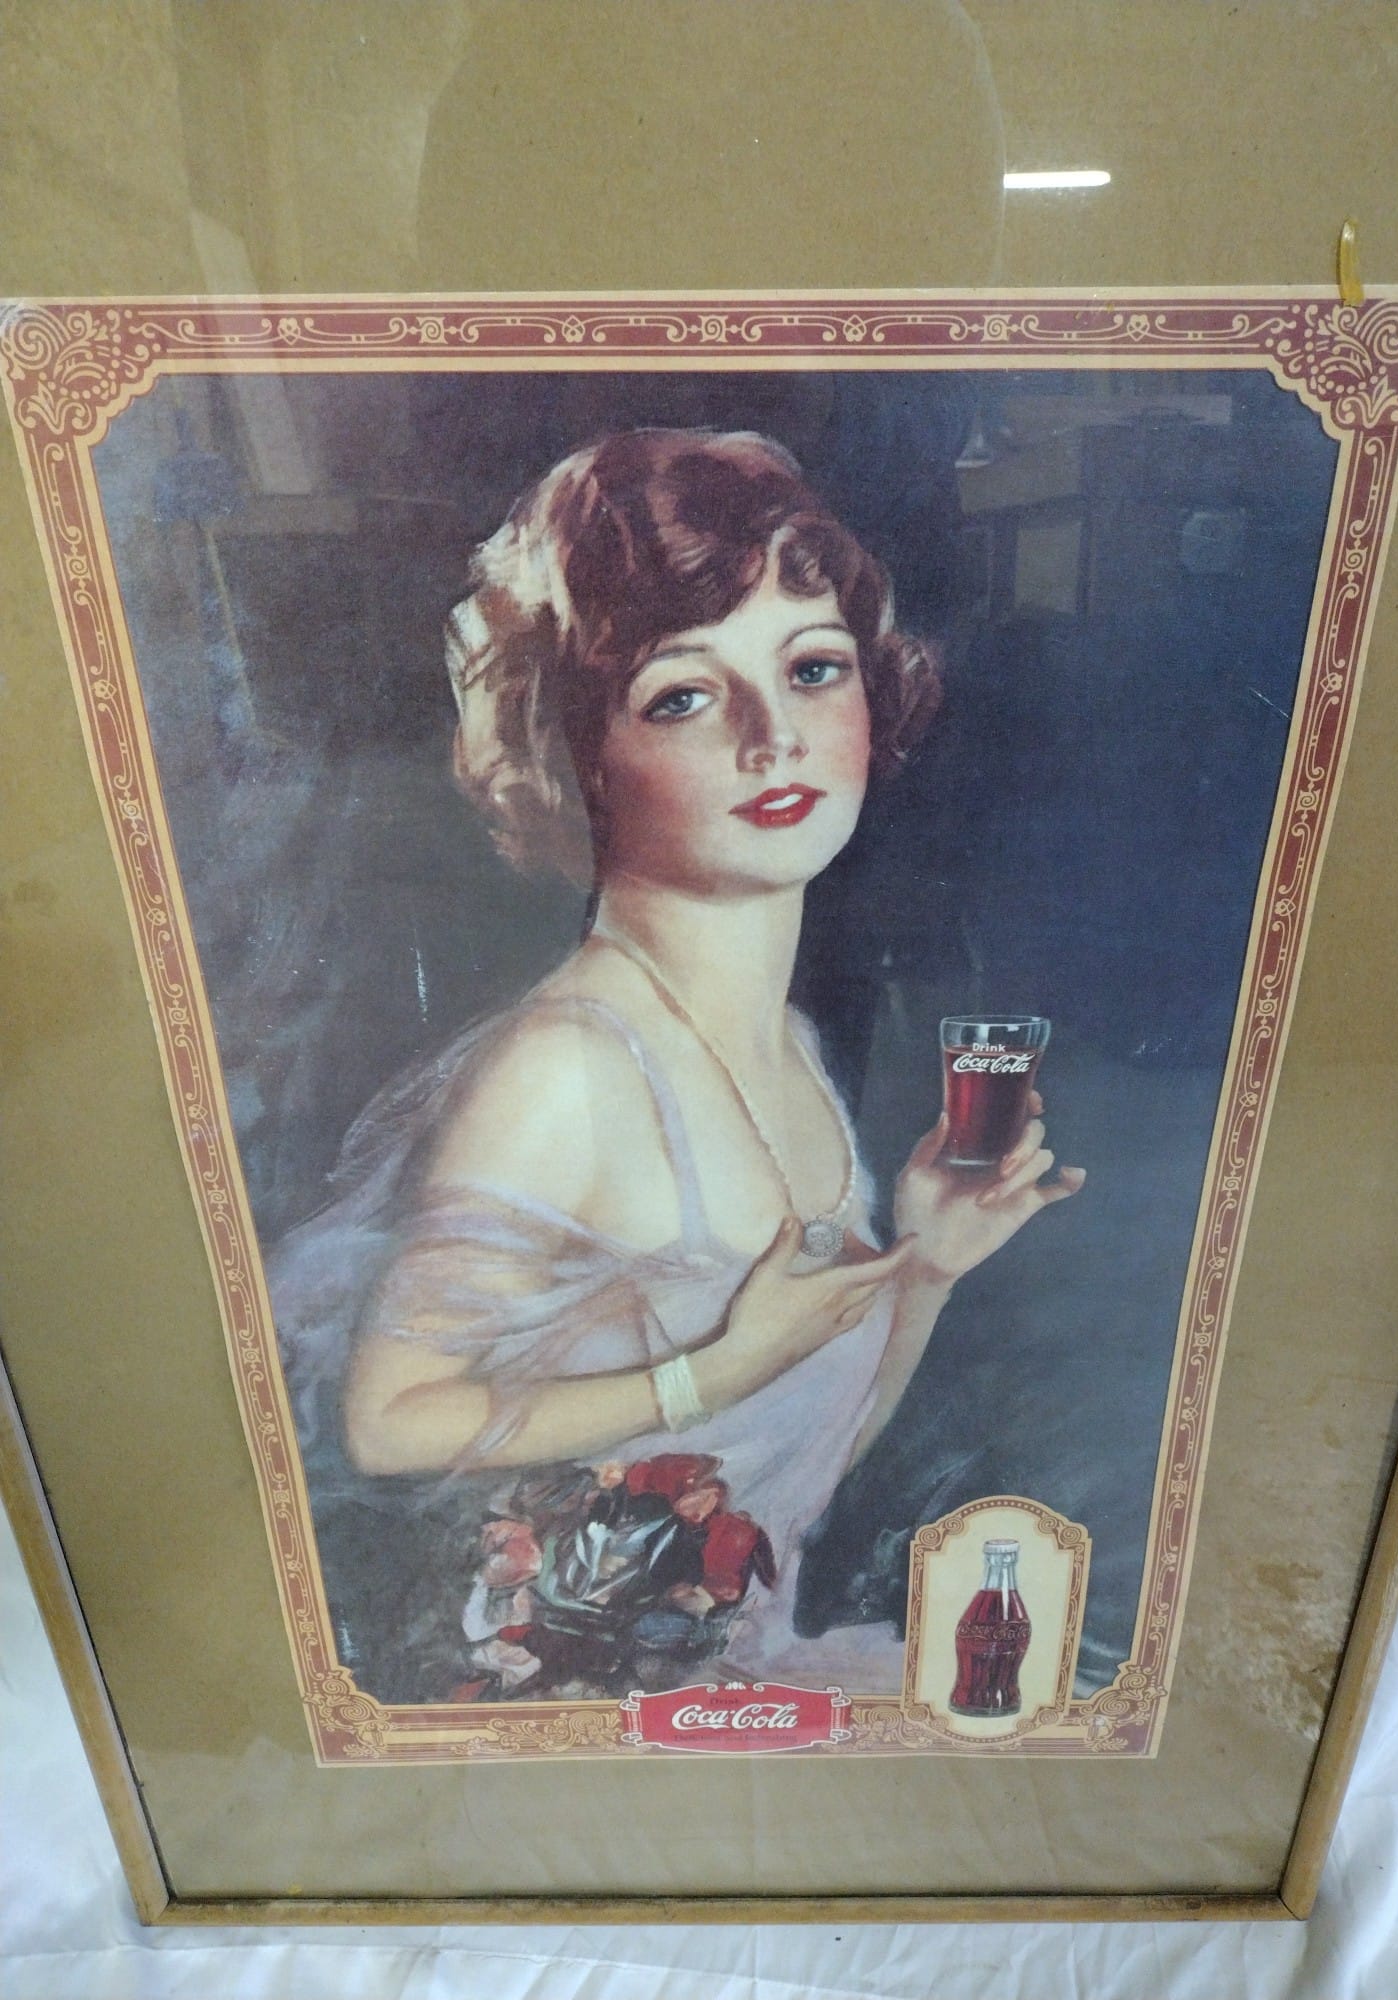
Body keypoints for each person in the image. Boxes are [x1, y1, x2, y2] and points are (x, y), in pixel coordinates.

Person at [271, 427, 1084, 1702]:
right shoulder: (570, 1069)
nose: (775, 736)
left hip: (730, 1675)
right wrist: (710, 1368)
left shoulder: (796, 1056)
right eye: (684, 695)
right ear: (579, 753)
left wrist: (925, 1266)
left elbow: (773, 1495)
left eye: (813, 668)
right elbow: (386, 1422)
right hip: (563, 1714)